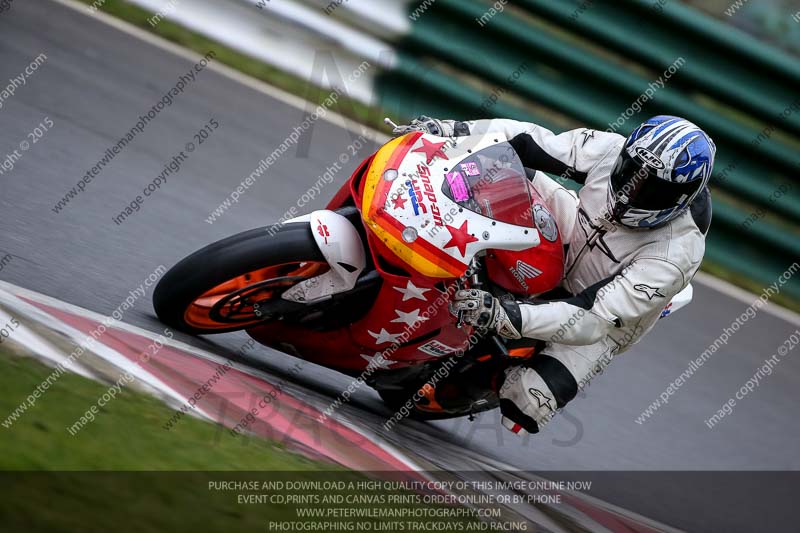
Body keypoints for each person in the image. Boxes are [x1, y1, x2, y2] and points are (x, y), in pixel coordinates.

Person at [392, 115, 715, 435]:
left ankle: (488, 374)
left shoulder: (675, 253)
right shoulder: (609, 149)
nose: (633, 192)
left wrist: (502, 315)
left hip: (603, 319)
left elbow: (593, 318)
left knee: (528, 403)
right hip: (572, 232)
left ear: (682, 198)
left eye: (653, 190)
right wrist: (451, 131)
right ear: (624, 158)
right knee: (499, 170)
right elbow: (526, 139)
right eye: (631, 173)